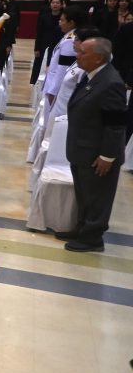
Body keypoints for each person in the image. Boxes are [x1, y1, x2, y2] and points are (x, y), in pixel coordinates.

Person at [55, 37, 128, 252]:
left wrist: (108, 156)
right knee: (85, 194)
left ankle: (93, 238)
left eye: (83, 53)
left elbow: (115, 125)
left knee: (98, 196)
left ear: (98, 58)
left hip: (98, 154)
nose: (77, 56)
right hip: (83, 149)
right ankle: (82, 228)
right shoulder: (91, 77)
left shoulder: (111, 83)